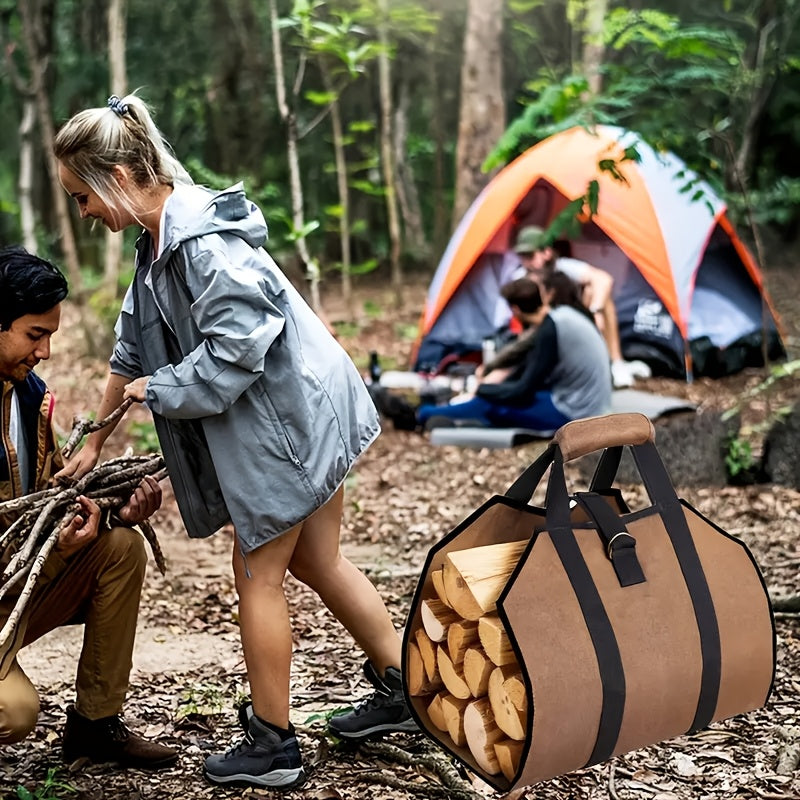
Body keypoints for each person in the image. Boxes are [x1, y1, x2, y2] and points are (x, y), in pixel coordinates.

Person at [52, 93, 415, 791]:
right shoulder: (157, 242)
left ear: (118, 178)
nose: (84, 214)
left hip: (292, 424)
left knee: (258, 575)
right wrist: (96, 442)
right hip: (306, 410)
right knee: (318, 560)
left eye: (81, 197)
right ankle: (408, 690)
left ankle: (274, 743)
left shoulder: (203, 242)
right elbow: (129, 349)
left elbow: (240, 346)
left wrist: (160, 391)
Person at [0, 247, 177, 769]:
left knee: (120, 548)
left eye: (50, 335)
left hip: (13, 590)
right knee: (14, 710)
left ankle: (95, 728)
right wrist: (55, 552)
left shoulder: (29, 398)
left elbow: (46, 507)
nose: (47, 351)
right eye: (36, 334)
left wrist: (114, 514)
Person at [416, 278, 612, 431]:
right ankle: (457, 415)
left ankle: (423, 413)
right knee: (499, 397)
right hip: (591, 404)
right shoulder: (563, 315)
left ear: (515, 309)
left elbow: (523, 390)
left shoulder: (550, 330)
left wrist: (483, 389)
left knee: (491, 403)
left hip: (576, 414)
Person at [511, 225, 651, 388]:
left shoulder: (562, 269)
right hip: (542, 332)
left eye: (530, 255)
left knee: (597, 294)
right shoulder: (520, 279)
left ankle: (615, 362)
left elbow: (604, 280)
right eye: (522, 256)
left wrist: (594, 311)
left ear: (546, 252)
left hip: (570, 328)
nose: (526, 262)